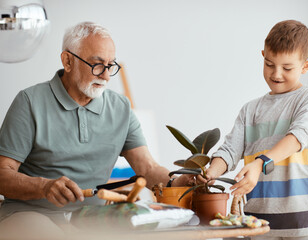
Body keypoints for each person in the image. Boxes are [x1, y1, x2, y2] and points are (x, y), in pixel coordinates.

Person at [0, 21, 188, 237]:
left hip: (91, 219)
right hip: (29, 215)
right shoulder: (29, 102)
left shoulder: (120, 108)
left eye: (111, 65)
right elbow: (2, 174)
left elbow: (148, 169)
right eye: (97, 64)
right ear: (67, 61)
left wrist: (177, 182)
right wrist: (44, 186)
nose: (106, 76)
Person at [201, 20, 308, 239]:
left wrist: (260, 162)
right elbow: (230, 150)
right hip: (257, 222)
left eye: (287, 68)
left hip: (301, 221)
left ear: (306, 66)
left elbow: (298, 137)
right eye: (269, 64)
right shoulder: (250, 110)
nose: (276, 74)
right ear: (263, 56)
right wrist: (211, 172)